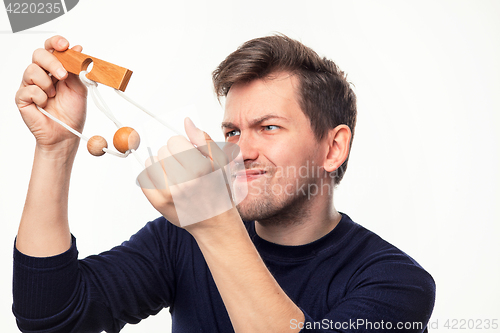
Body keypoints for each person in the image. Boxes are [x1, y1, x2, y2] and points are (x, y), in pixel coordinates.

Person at [13, 34, 435, 333]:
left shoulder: (395, 283)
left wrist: (214, 224)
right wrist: (55, 148)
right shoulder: (182, 239)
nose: (241, 150)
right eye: (232, 131)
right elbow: (49, 316)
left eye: (268, 127)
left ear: (333, 148)